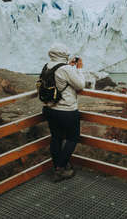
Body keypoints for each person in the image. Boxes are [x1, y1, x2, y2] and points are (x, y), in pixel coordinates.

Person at [42, 43, 85, 182]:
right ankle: (60, 169)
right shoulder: (65, 69)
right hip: (66, 110)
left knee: (56, 138)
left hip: (50, 109)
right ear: (64, 55)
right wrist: (78, 69)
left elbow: (60, 79)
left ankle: (58, 166)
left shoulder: (47, 66)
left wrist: (70, 66)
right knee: (73, 138)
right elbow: (80, 85)